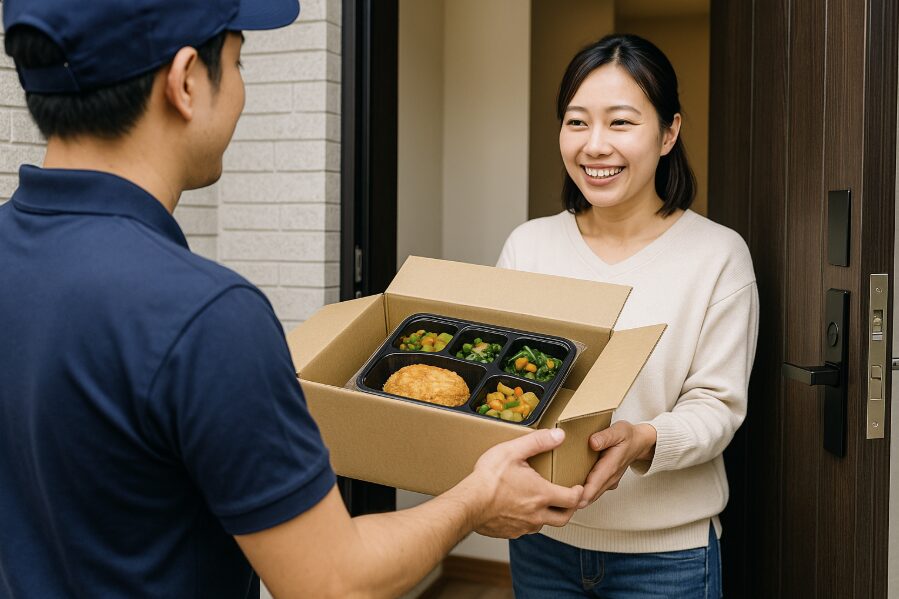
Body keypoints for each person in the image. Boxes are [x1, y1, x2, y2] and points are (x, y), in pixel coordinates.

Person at [0, 1, 586, 597]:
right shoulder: (205, 315)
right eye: (236, 63)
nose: (240, 91)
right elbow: (333, 581)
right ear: (184, 82)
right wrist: (476, 500)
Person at [498, 34, 759, 598]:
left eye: (620, 123)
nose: (594, 146)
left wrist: (643, 439)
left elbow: (717, 406)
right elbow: (505, 382)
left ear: (669, 133)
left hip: (667, 557)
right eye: (576, 122)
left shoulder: (718, 256)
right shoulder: (528, 246)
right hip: (543, 539)